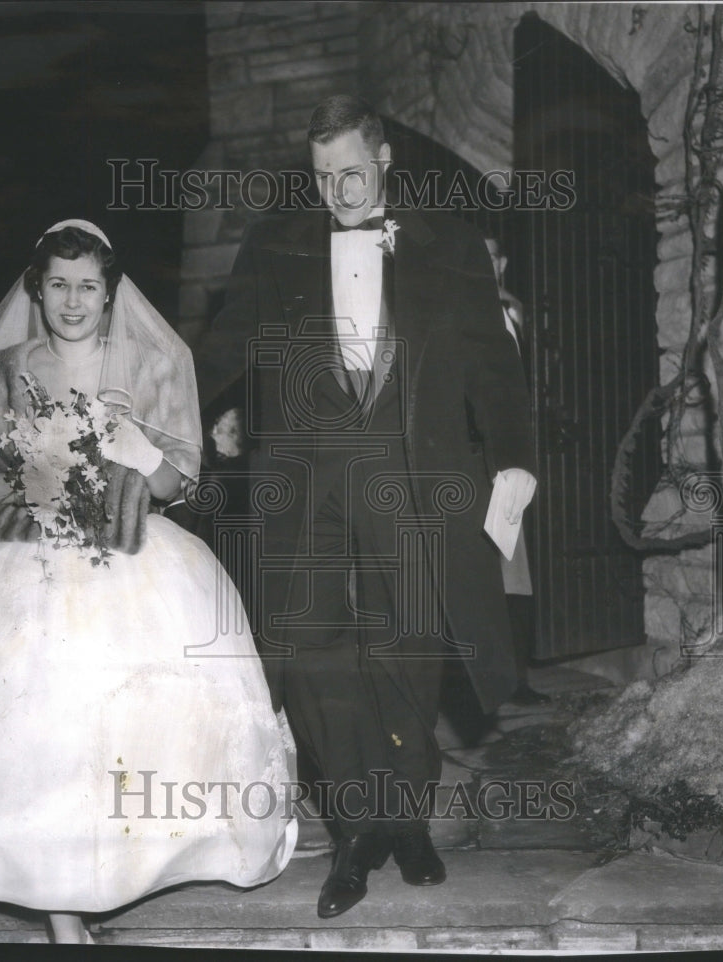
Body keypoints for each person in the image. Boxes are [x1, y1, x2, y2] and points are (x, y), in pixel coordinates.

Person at [0, 220, 297, 944]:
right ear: (37, 288)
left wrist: (139, 454)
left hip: (132, 557)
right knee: (33, 725)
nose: (73, 300)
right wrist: (18, 486)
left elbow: (184, 479)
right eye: (58, 284)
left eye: (89, 285)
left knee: (118, 724)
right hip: (23, 556)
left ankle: (118, 867)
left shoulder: (153, 363)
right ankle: (64, 912)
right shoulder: (3, 371)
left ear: (111, 293)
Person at [195, 96, 536, 919]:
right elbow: (222, 346)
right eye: (323, 177)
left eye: (352, 171)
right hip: (305, 479)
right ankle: (353, 827)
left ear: (384, 162)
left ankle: (405, 818)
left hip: (413, 473)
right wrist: (175, 424)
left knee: (409, 645)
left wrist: (516, 460)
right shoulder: (275, 244)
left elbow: (492, 364)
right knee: (314, 654)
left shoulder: (448, 243)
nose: (339, 190)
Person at [484, 236, 550, 707]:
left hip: (524, 456)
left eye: (492, 254)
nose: (485, 263)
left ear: (503, 261)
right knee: (491, 570)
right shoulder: (458, 311)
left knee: (519, 571)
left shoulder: (521, 312)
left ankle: (517, 678)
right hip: (485, 459)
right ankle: (488, 681)